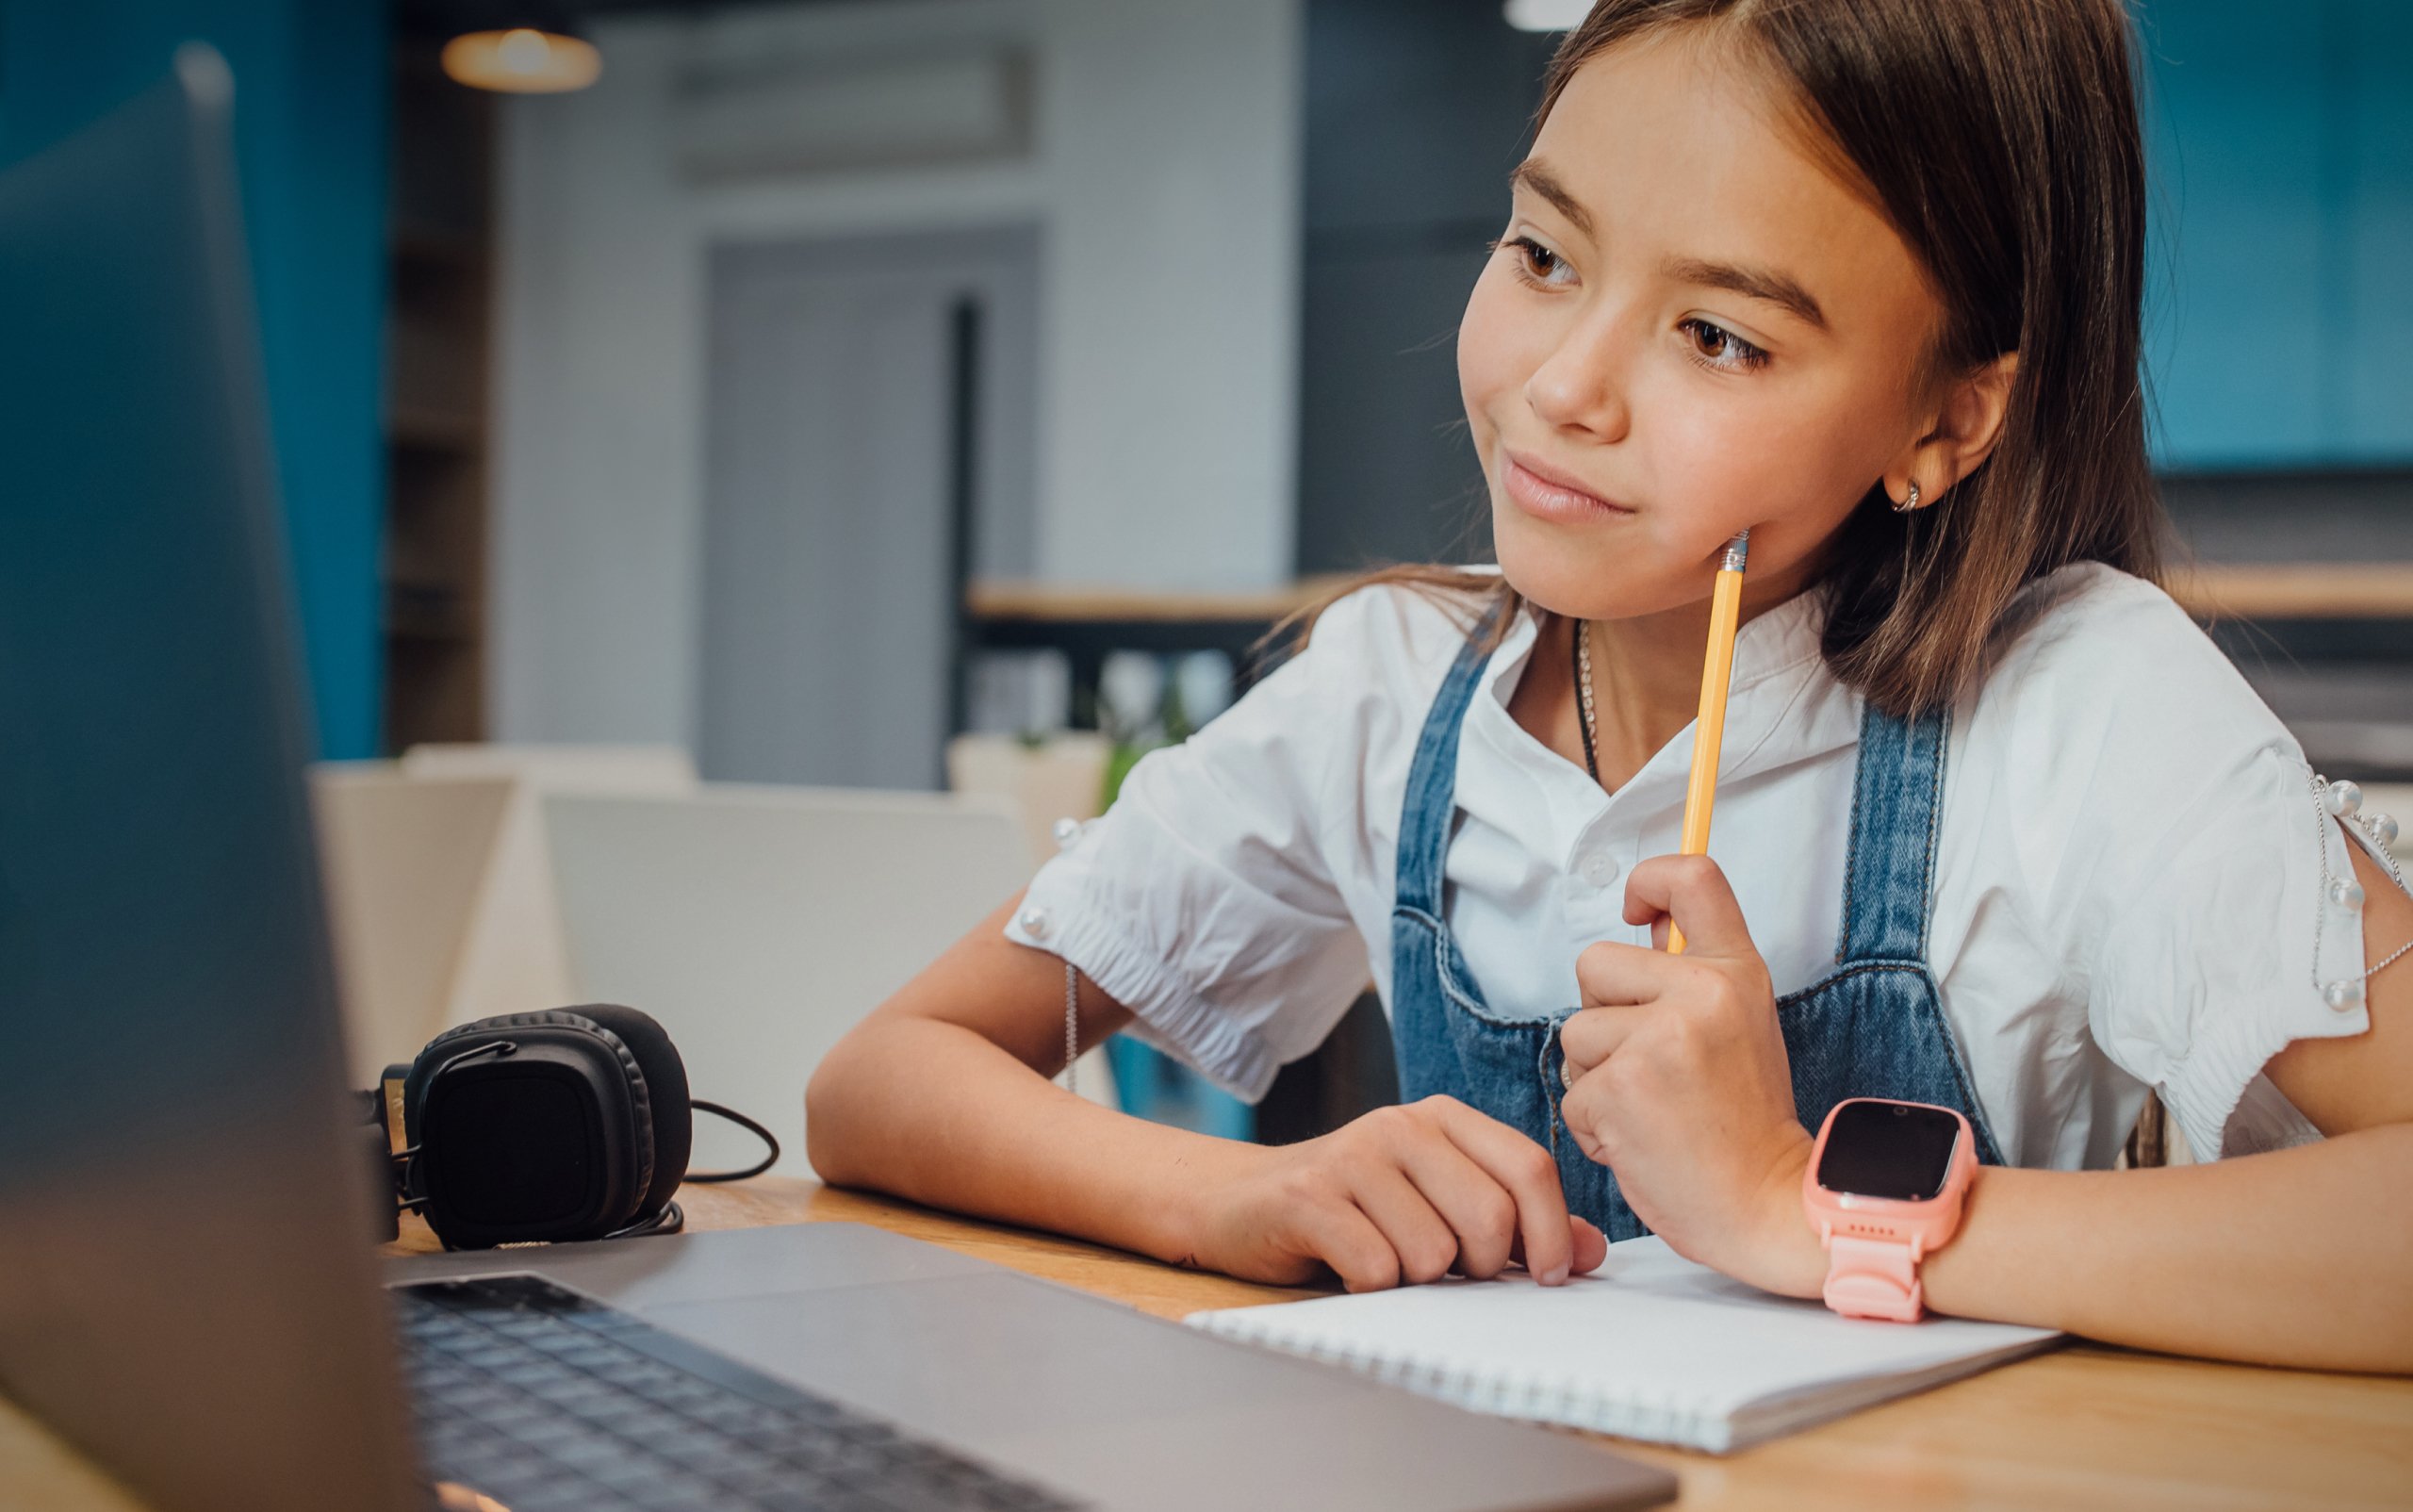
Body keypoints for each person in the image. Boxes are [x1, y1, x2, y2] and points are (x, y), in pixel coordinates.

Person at [807, 0, 2413, 1371]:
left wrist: (1803, 1198)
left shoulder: (2070, 708)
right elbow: (880, 1081)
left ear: (1947, 420)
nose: (1565, 387)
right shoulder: (1390, 695)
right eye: (1542, 250)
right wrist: (1230, 1196)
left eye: (1718, 336)